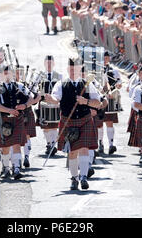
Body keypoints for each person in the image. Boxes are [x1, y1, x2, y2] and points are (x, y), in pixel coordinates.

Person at [45, 57, 101, 190]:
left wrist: (85, 102)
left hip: (85, 120)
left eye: (74, 69)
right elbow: (55, 99)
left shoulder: (87, 84)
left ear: (79, 69)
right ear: (67, 69)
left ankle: (83, 177)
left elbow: (97, 103)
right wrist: (50, 99)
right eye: (70, 69)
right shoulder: (61, 84)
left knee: (84, 149)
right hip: (68, 121)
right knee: (72, 151)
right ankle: (74, 178)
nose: (72, 72)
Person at [0, 65, 35, 180]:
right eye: (5, 73)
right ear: (1, 75)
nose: (7, 75)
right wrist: (9, 110)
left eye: (9, 73)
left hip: (17, 119)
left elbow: (32, 97)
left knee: (17, 144)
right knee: (4, 147)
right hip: (3, 118)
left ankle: (17, 168)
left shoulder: (19, 86)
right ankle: (5, 168)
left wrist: (25, 105)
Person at [37, 55, 62, 157]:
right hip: (44, 104)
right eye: (47, 63)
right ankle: (49, 144)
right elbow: (35, 88)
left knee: (54, 125)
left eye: (51, 63)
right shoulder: (39, 75)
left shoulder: (59, 76)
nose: (49, 65)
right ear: (44, 64)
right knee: (45, 126)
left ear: (54, 64)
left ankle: (53, 144)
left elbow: (62, 89)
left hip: (55, 103)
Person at [100, 51, 122, 155]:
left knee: (109, 122)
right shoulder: (96, 69)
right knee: (98, 123)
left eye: (106, 58)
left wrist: (118, 85)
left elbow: (119, 81)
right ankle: (100, 144)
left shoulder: (114, 70)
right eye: (103, 57)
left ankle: (111, 144)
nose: (105, 59)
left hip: (111, 97)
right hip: (99, 98)